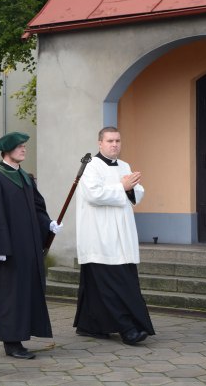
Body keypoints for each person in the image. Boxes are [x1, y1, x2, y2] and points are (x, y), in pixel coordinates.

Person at [0, 132, 62, 359]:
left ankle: (22, 335)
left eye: (25, 146)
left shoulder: (24, 177)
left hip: (28, 248)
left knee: (26, 292)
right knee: (9, 295)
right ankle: (11, 342)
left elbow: (37, 208)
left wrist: (48, 224)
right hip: (7, 251)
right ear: (7, 151)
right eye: (19, 147)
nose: (24, 149)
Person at [73, 126, 155, 345]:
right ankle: (127, 328)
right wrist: (122, 186)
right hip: (100, 236)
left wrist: (129, 188)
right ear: (100, 143)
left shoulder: (125, 165)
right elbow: (94, 194)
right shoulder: (91, 166)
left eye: (118, 141)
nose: (114, 145)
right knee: (112, 286)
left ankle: (90, 325)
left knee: (99, 284)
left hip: (122, 236)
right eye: (110, 141)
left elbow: (138, 192)